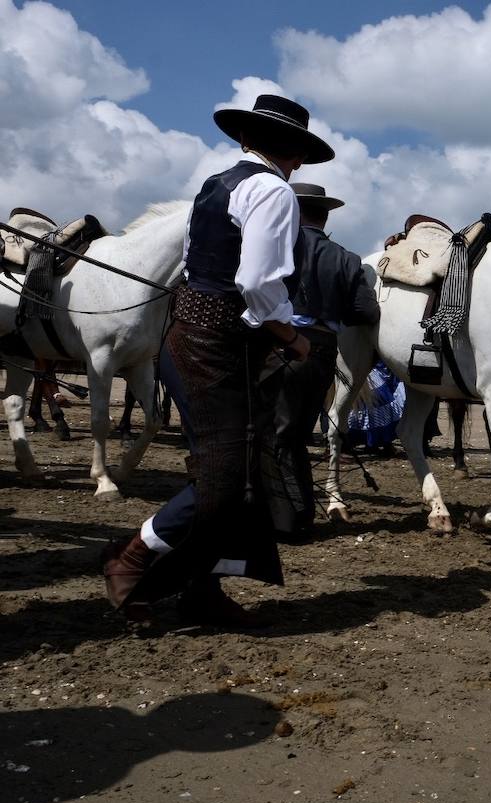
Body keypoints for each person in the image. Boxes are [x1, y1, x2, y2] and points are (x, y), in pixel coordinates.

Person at [101, 94, 333, 626]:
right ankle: (133, 554)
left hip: (190, 339)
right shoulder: (274, 191)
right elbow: (255, 283)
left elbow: (200, 269)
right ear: (291, 151)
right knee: (225, 479)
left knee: (234, 471)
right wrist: (288, 335)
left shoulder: (215, 186)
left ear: (247, 140)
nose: (297, 164)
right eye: (297, 153)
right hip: (217, 350)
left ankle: (202, 591)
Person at [259, 183, 380, 539]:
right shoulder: (347, 258)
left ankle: (285, 520)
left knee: (274, 434)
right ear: (324, 216)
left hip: (282, 347)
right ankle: (300, 513)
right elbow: (367, 311)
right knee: (296, 434)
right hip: (325, 353)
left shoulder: (278, 248)